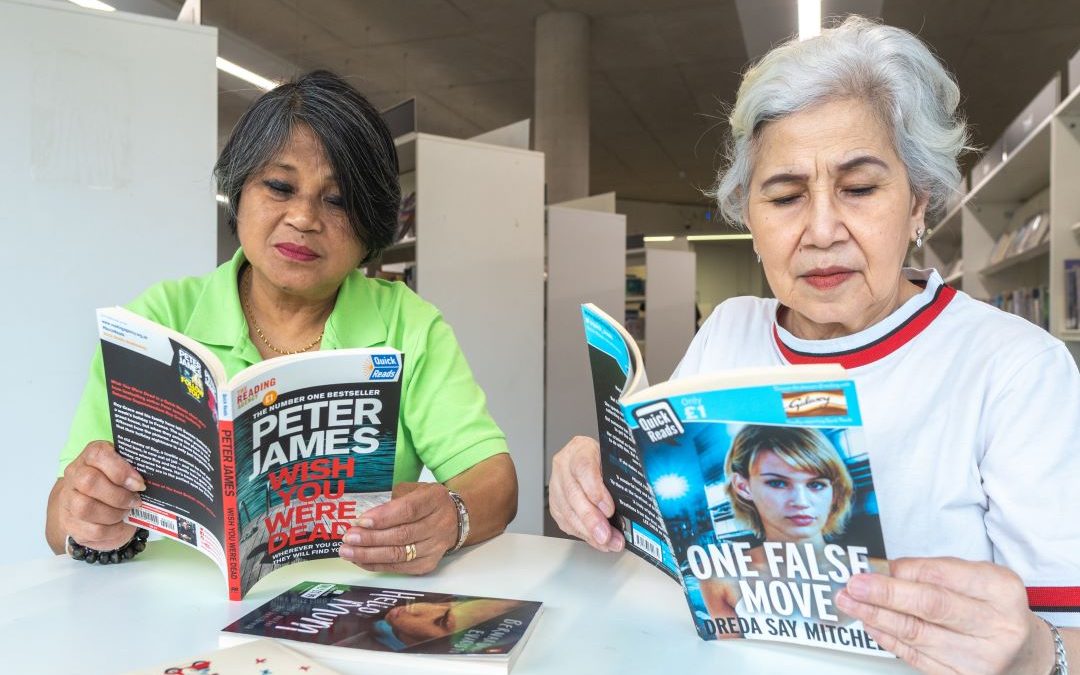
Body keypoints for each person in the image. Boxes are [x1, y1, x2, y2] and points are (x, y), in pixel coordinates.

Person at [550, 16, 1079, 674]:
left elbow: (1068, 632)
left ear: (918, 202)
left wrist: (1040, 651)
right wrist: (597, 480)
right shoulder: (729, 329)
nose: (822, 229)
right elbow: (672, 525)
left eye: (860, 189)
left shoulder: (1016, 368)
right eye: (785, 195)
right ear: (749, 214)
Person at [45, 70, 517, 575]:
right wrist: (83, 513)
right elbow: (58, 523)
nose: (303, 218)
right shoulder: (157, 321)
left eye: (337, 200)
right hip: (172, 616)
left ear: (371, 227)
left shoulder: (407, 323)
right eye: (279, 186)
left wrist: (453, 515)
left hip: (349, 609)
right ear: (239, 192)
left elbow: (495, 480)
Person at [699, 425, 886, 632]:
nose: (801, 501)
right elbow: (727, 655)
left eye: (816, 485)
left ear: (833, 491)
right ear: (744, 487)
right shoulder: (720, 578)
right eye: (778, 483)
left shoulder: (881, 573)